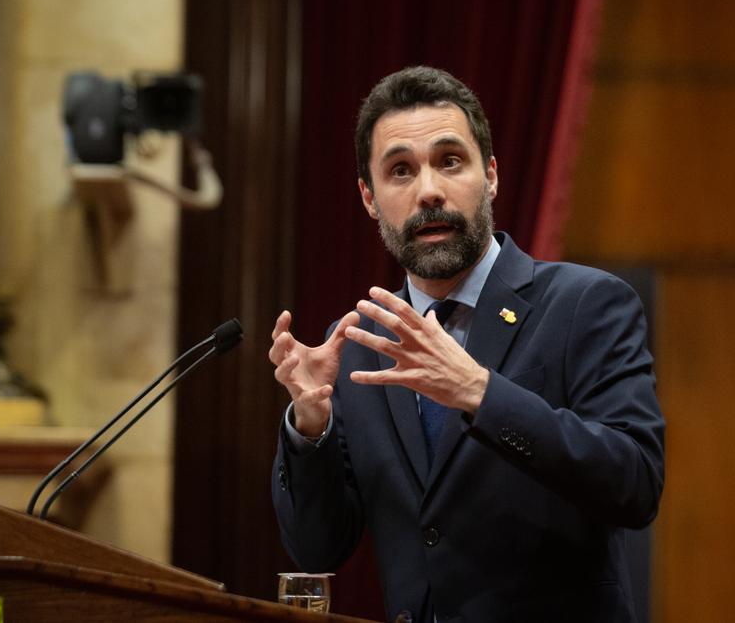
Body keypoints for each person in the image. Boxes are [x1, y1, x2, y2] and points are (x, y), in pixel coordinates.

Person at [269, 66, 664, 623]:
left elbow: (635, 483)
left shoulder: (585, 305)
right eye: (400, 171)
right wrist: (310, 428)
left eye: (450, 161)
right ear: (368, 198)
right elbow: (317, 549)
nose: (428, 190)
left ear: (492, 175)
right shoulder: (359, 345)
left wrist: (480, 391)